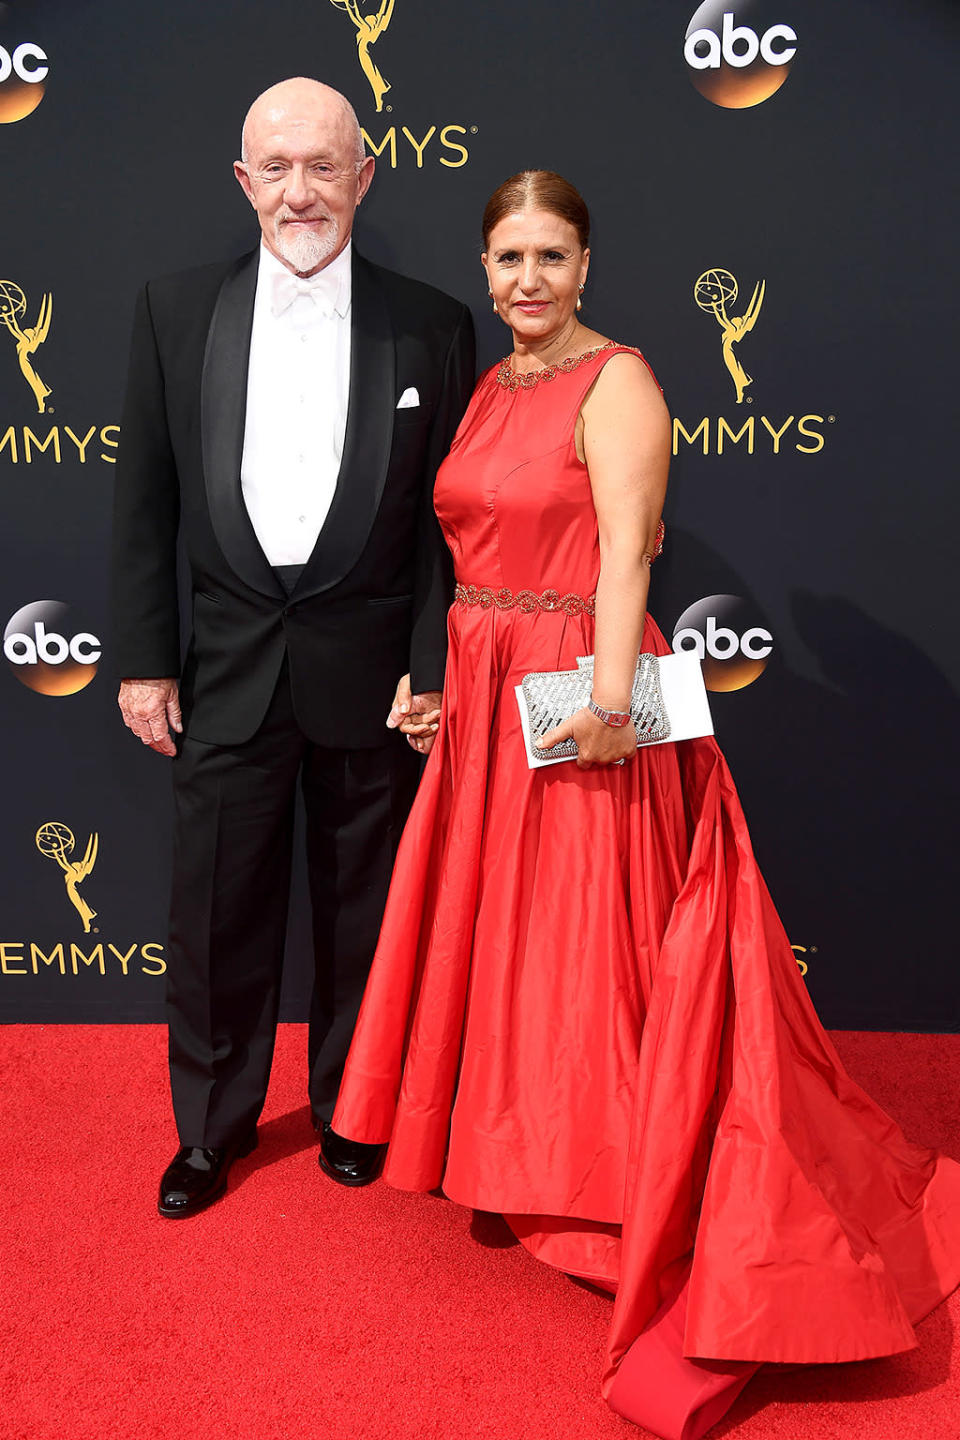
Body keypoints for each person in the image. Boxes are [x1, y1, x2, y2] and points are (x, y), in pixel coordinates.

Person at [327, 171, 960, 1438]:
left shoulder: (618, 379)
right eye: (506, 256)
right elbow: (479, 555)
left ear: (588, 262)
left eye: (549, 256)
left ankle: (615, 1180)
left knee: (588, 944)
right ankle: (517, 1158)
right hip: (498, 680)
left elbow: (623, 548)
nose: (525, 280)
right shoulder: (495, 384)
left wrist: (610, 702)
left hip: (583, 686)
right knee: (512, 935)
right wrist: (449, 688)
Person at [110, 77, 475, 1219]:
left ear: (365, 177)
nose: (301, 191)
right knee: (213, 916)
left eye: (324, 166)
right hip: (223, 672)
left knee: (366, 914)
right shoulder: (172, 311)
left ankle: (352, 1110)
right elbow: (144, 507)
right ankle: (209, 1132)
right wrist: (142, 657)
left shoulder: (435, 321)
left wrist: (431, 661)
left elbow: (442, 524)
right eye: (278, 168)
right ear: (243, 182)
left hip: (373, 681)